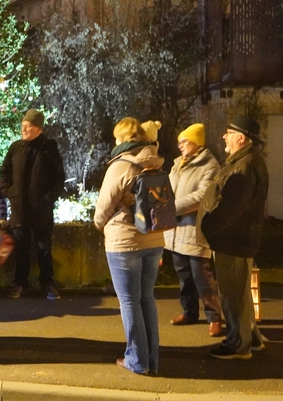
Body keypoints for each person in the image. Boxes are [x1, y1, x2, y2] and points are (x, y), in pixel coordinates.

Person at [94, 117, 164, 375]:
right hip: (154, 239)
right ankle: (151, 360)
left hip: (125, 242)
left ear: (122, 139)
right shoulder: (154, 162)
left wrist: (99, 224)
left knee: (129, 302)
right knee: (147, 298)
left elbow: (104, 206)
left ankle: (137, 360)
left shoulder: (121, 165)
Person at [200, 115, 269, 360]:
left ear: (241, 138)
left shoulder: (243, 166)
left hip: (232, 240)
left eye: (228, 133)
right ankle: (252, 338)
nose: (224, 137)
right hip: (238, 239)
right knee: (240, 294)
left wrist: (209, 225)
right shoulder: (248, 161)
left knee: (232, 295)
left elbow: (231, 208)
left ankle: (238, 344)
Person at [0, 109, 66, 300]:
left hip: (41, 210)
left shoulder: (49, 149)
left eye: (28, 126)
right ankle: (21, 284)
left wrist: (47, 199)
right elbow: (4, 173)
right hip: (19, 209)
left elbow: (58, 178)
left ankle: (47, 283)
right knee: (20, 250)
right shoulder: (15, 148)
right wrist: (11, 193)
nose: (24, 129)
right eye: (23, 126)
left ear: (38, 128)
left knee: (43, 248)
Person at [164, 123, 223, 337]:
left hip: (195, 231)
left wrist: (171, 207)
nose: (180, 145)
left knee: (202, 277)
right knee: (184, 276)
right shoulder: (177, 164)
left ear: (196, 143)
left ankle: (214, 317)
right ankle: (189, 312)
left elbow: (202, 197)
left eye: (184, 141)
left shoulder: (210, 166)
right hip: (176, 231)